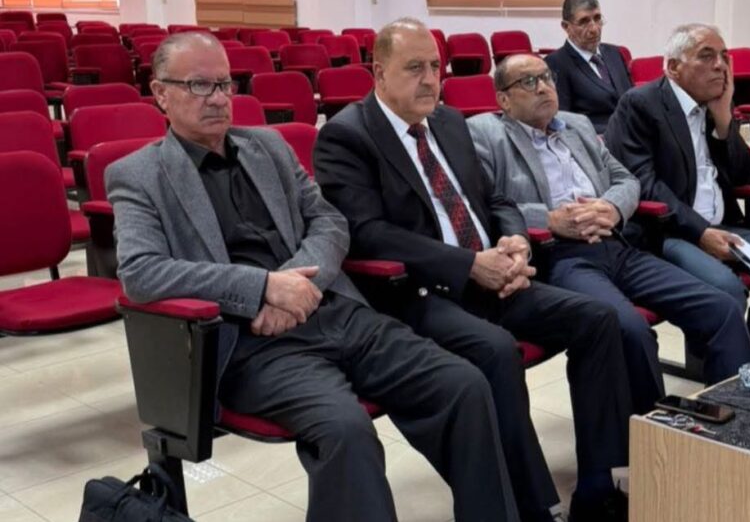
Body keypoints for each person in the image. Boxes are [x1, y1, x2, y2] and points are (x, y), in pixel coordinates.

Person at [107, 32, 519, 522]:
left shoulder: (267, 147)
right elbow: (141, 272)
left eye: (225, 84)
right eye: (199, 85)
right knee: (345, 431)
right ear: (160, 93)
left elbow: (329, 221)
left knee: (463, 384)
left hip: (332, 311)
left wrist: (298, 285)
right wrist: (263, 288)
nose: (217, 98)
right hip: (251, 343)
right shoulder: (139, 175)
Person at [313, 18, 633, 522]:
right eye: (414, 68)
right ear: (379, 72)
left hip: (493, 273)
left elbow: (496, 198)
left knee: (598, 320)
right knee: (495, 349)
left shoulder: (448, 121)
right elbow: (368, 233)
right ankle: (532, 506)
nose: (429, 80)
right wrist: (468, 265)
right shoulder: (347, 136)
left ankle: (599, 486)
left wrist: (515, 241)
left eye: (434, 67)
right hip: (416, 291)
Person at [468, 53, 750, 409]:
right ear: (504, 99)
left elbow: (627, 180)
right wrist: (549, 219)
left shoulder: (576, 125)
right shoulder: (486, 134)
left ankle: (739, 415)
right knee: (630, 330)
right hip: (560, 257)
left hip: (617, 245)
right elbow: (487, 206)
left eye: (546, 77)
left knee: (722, 307)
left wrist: (611, 208)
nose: (543, 87)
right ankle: (651, 432)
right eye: (528, 82)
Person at [603, 23, 750, 359]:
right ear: (673, 67)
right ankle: (727, 373)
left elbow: (743, 173)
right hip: (667, 232)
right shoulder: (641, 104)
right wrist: (701, 232)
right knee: (726, 288)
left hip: (722, 226)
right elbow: (643, 184)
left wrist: (723, 123)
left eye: (723, 56)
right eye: (706, 56)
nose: (720, 65)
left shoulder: (712, 104)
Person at [544, 0, 632, 134]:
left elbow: (631, 99)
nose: (594, 29)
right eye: (584, 22)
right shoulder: (556, 63)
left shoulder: (614, 53)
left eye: (597, 18)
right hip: (595, 140)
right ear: (566, 27)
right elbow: (562, 121)